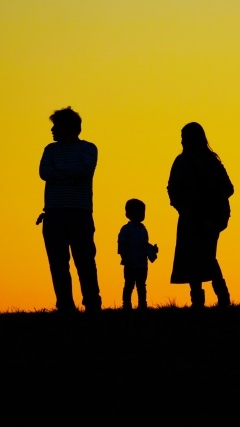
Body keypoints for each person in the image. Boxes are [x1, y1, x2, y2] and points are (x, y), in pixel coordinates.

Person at [37, 106, 102, 314]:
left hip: (79, 213)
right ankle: (65, 305)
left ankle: (92, 303)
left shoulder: (89, 148)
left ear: (69, 127)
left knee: (85, 261)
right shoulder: (50, 149)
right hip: (54, 214)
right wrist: (70, 175)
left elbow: (85, 170)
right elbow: (44, 173)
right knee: (58, 264)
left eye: (56, 126)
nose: (53, 130)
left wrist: (59, 173)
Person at [167, 122, 234, 308]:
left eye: (184, 137)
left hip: (208, 218)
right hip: (191, 217)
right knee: (193, 257)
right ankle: (202, 300)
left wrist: (208, 204)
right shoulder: (186, 161)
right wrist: (182, 207)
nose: (182, 141)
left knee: (205, 256)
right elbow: (172, 188)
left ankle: (219, 298)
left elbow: (228, 188)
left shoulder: (209, 162)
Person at [117, 198, 158, 310]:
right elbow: (121, 242)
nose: (141, 215)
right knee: (129, 285)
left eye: (142, 212)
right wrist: (123, 255)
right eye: (138, 212)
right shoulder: (126, 229)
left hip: (142, 263)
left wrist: (152, 249)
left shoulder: (143, 230)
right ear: (128, 214)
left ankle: (142, 304)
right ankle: (126, 304)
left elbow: (144, 244)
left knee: (141, 285)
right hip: (130, 263)